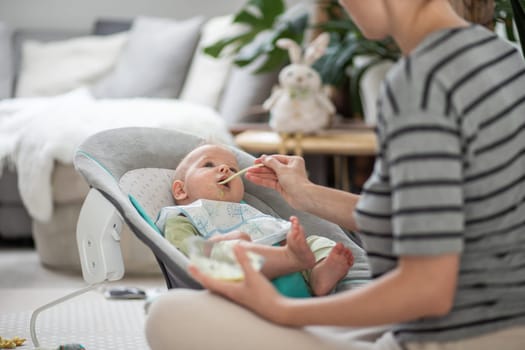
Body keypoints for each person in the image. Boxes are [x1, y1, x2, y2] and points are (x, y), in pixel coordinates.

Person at [146, 1, 525, 349]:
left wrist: (284, 311)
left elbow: (428, 289)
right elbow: (430, 216)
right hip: (502, 320)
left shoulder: (420, 83)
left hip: (455, 334)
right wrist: (305, 194)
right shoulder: (502, 57)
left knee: (168, 315)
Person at [158, 143, 355, 296]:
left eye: (233, 170)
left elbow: (273, 232)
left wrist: (290, 241)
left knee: (318, 243)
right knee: (233, 247)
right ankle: (290, 259)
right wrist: (221, 242)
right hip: (239, 274)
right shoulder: (183, 217)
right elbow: (186, 252)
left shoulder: (245, 210)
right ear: (181, 190)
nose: (225, 170)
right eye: (209, 165)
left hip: (287, 262)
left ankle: (318, 277)